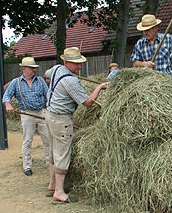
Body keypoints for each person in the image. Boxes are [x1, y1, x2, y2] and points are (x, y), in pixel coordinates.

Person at [45, 47, 108, 203]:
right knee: (62, 154)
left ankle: (52, 184)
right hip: (61, 120)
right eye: (76, 64)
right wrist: (99, 87)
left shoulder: (56, 69)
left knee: (54, 152)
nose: (79, 66)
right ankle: (59, 191)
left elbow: (46, 75)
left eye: (80, 63)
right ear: (66, 62)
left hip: (49, 115)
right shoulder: (70, 80)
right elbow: (87, 103)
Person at [2, 57, 50, 176]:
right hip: (26, 114)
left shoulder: (40, 81)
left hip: (42, 112)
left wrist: (50, 109)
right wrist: (8, 105)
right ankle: (27, 166)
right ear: (24, 69)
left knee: (48, 139)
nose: (34, 70)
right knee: (27, 141)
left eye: (34, 68)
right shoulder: (15, 82)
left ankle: (50, 163)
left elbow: (48, 95)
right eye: (32, 68)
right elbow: (6, 97)